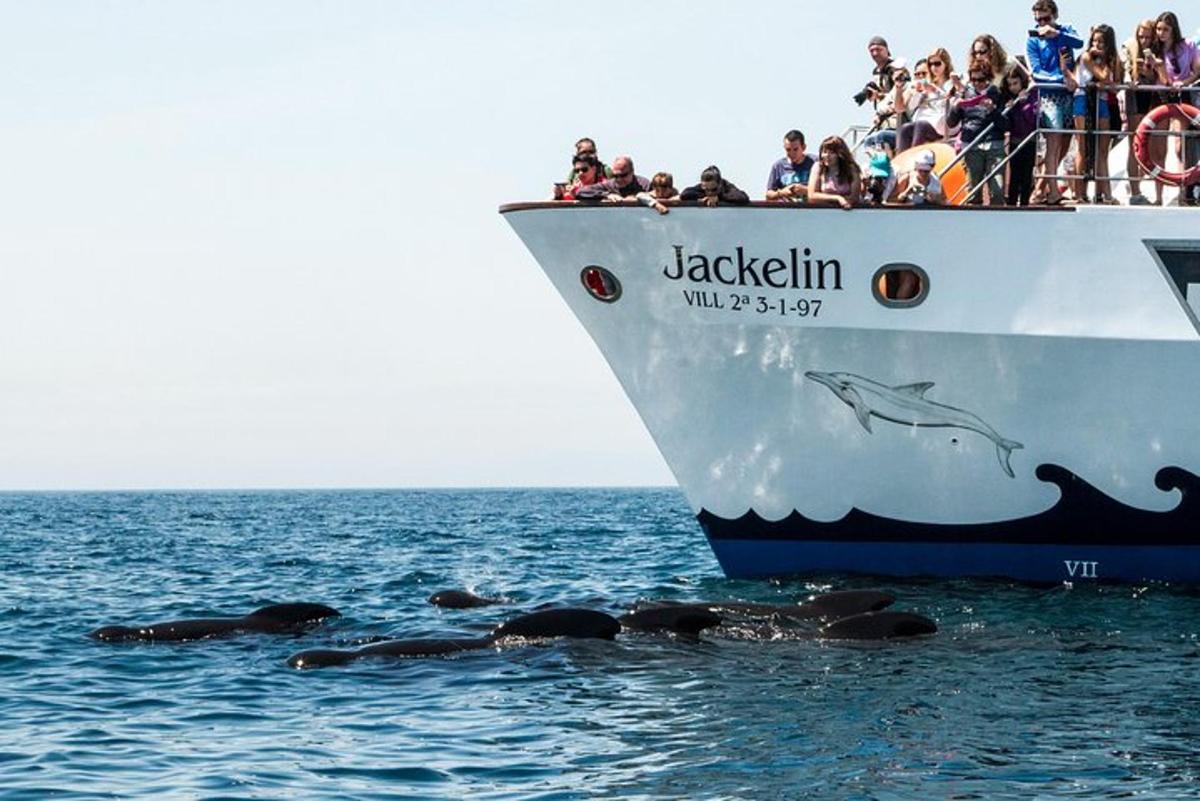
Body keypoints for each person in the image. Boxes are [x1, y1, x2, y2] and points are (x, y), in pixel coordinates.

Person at [1026, 0, 1084, 205]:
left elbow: (1080, 43)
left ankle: (1040, 189)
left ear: (1054, 16)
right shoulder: (1033, 41)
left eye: (1046, 19)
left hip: (1068, 95)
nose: (1042, 23)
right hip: (1050, 95)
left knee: (1065, 143)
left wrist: (1056, 34)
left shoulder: (1065, 32)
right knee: (1053, 143)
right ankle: (1052, 192)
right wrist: (1061, 80)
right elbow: (1036, 71)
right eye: (1038, 20)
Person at [1067, 25, 1122, 203]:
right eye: (1095, 41)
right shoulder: (1086, 57)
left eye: (1101, 42)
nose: (1097, 45)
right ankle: (1079, 193)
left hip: (1103, 101)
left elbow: (1116, 82)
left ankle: (1106, 193)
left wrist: (1108, 72)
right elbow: (1105, 77)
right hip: (1083, 99)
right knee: (1083, 148)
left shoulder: (1114, 59)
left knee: (1102, 151)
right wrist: (1104, 67)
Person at [1152, 12, 1200, 203]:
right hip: (1161, 96)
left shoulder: (1187, 46)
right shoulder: (1155, 50)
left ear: (1173, 30)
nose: (1161, 33)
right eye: (1158, 29)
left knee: (1180, 145)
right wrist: (1157, 67)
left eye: (1165, 29)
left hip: (1182, 95)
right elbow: (1163, 80)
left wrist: (1184, 83)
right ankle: (1158, 196)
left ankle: (1184, 189)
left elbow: (1197, 72)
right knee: (1159, 147)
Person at [948, 65, 1007, 205]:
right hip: (971, 146)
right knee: (973, 193)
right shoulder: (963, 93)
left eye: (980, 79)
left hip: (994, 145)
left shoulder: (997, 94)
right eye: (973, 79)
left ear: (988, 79)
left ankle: (997, 221)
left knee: (997, 191)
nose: (977, 83)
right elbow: (951, 123)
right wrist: (955, 107)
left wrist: (993, 110)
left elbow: (1006, 125)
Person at [1123, 19, 1165, 205]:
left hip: (1154, 97)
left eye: (1148, 36)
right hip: (1136, 97)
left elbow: (1163, 78)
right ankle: (1135, 191)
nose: (1144, 40)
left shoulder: (1159, 50)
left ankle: (1158, 196)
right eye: (1141, 36)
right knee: (1134, 146)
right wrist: (1131, 75)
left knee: (1158, 149)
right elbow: (1123, 70)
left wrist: (1153, 68)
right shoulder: (1129, 47)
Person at [896, 57, 953, 152]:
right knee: (905, 128)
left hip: (938, 127)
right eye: (917, 74)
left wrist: (932, 90)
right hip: (920, 124)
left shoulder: (939, 85)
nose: (921, 77)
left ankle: (914, 156)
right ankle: (901, 160)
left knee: (920, 125)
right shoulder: (914, 90)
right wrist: (918, 93)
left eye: (924, 73)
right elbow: (908, 108)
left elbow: (945, 101)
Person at [1003, 65, 1039, 206]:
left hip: (1029, 141)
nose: (1013, 87)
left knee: (1026, 174)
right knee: (1014, 174)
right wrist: (1010, 109)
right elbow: (1009, 124)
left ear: (1022, 82)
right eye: (1010, 84)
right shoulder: (1010, 99)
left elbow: (1032, 120)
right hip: (1015, 140)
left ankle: (1024, 202)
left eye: (1015, 83)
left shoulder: (1031, 96)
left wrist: (1023, 104)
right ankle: (1012, 202)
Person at [858, 37, 901, 154]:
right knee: (870, 144)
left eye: (878, 49)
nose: (875, 53)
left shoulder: (895, 68)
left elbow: (901, 92)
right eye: (872, 51)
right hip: (882, 118)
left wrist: (880, 96)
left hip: (895, 118)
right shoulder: (876, 71)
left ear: (887, 50)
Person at [807, 136, 862, 209]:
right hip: (824, 211)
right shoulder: (818, 167)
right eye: (825, 152)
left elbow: (854, 197)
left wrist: (843, 202)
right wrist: (838, 198)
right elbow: (812, 196)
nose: (827, 156)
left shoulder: (851, 169)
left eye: (832, 153)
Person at [573, 155, 652, 203]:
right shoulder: (609, 185)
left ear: (632, 172)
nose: (619, 179)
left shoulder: (644, 184)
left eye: (623, 175)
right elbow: (581, 191)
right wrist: (607, 195)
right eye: (615, 176)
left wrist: (637, 199)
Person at [765, 130, 816, 202]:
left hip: (811, 210)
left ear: (804, 147)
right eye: (788, 150)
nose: (792, 153)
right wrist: (782, 193)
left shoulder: (815, 163)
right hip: (787, 210)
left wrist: (806, 190)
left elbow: (826, 189)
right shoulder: (778, 166)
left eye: (795, 149)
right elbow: (768, 194)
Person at [679, 166, 751, 206]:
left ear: (719, 184)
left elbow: (743, 197)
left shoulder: (726, 186)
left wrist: (719, 197)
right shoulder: (701, 188)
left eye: (713, 190)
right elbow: (684, 194)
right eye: (707, 190)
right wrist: (705, 197)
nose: (710, 192)